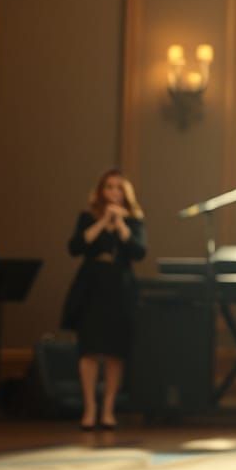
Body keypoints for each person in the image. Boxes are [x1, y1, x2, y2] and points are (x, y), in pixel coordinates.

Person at [62, 169, 146, 431]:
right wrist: (102, 223)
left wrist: (120, 225)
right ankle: (89, 408)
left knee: (114, 352)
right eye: (109, 187)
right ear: (101, 191)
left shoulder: (134, 220)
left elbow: (139, 251)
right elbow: (75, 247)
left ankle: (108, 410)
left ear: (125, 193)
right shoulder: (87, 217)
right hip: (92, 286)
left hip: (119, 287)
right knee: (89, 350)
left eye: (118, 188)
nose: (113, 192)